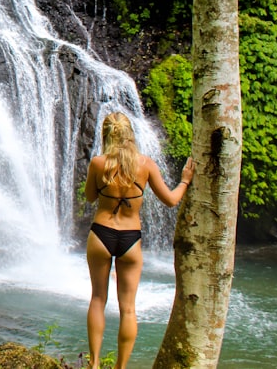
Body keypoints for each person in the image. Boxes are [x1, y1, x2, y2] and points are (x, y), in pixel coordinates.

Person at [84, 112, 195, 369]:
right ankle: (120, 367)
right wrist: (185, 181)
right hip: (131, 239)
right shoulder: (145, 165)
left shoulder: (99, 163)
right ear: (129, 134)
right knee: (129, 309)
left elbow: (90, 197)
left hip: (101, 233)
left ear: (106, 135)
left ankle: (94, 364)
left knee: (98, 299)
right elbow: (170, 200)